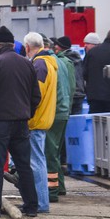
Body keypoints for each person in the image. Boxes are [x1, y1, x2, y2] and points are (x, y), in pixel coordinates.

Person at [0, 26, 41, 218]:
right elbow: (35, 96)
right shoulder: (27, 63)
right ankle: (31, 206)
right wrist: (26, 113)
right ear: (13, 44)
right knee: (23, 165)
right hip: (21, 122)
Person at [24, 32, 57, 214]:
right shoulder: (48, 63)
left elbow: (35, 95)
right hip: (43, 119)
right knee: (38, 161)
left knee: (36, 163)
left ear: (27, 47)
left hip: (35, 121)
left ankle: (41, 203)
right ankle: (39, 202)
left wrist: (24, 112)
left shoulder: (40, 65)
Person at [47, 38, 75, 202]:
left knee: (50, 152)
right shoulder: (64, 63)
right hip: (63, 111)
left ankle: (54, 189)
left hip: (54, 112)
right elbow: (71, 88)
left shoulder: (50, 63)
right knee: (55, 151)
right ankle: (60, 186)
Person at [52, 36, 85, 115]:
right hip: (80, 94)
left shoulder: (62, 60)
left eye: (56, 45)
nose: (55, 47)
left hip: (69, 94)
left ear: (60, 47)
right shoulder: (78, 58)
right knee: (77, 122)